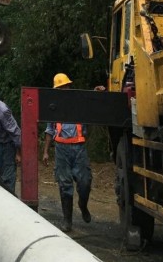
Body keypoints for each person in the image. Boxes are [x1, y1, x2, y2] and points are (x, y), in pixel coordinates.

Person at [42, 72, 92, 233]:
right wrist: (45, 152)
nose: (64, 90)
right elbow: (50, 130)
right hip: (61, 149)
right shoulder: (53, 107)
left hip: (79, 148)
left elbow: (95, 107)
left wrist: (99, 93)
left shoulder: (79, 103)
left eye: (66, 87)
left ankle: (83, 205)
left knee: (85, 183)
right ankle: (67, 220)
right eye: (61, 88)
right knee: (65, 185)